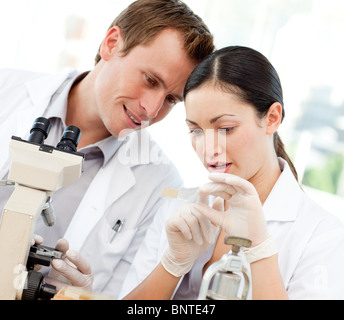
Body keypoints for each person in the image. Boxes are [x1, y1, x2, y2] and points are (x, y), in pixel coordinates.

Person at [0, 0, 214, 298]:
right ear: (112, 44)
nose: (151, 109)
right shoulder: (5, 90)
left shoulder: (158, 183)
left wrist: (85, 294)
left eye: (170, 100)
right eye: (150, 80)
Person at [120, 46, 344, 300]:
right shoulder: (176, 208)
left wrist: (260, 250)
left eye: (225, 128)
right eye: (195, 130)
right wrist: (171, 266)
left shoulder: (323, 236)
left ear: (272, 118)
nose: (208, 149)